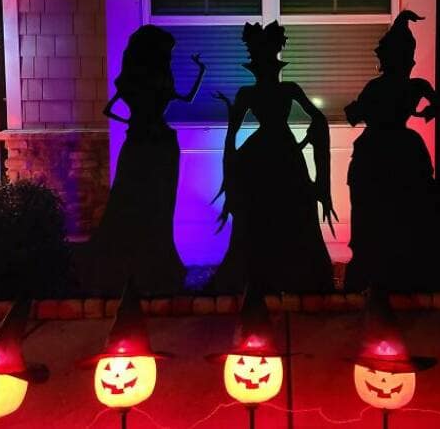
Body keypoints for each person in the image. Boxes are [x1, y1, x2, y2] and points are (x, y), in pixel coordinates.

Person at [208, 21, 336, 293]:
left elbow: (318, 118)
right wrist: (231, 176)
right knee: (263, 208)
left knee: (292, 207)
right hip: (269, 155)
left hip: (280, 153)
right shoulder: (250, 93)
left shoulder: (287, 89)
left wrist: (314, 137)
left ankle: (288, 272)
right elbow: (231, 135)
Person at [85, 25, 205, 296]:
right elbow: (187, 98)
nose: (169, 57)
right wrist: (201, 70)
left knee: (153, 204)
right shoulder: (154, 82)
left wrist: (131, 120)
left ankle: (150, 264)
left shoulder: (138, 81)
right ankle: (145, 265)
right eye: (167, 53)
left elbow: (109, 110)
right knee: (147, 202)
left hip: (147, 141)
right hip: (155, 143)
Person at [343, 11, 436, 292]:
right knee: (394, 208)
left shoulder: (378, 87)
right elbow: (439, 105)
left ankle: (374, 267)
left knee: (373, 210)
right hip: (400, 149)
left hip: (376, 151)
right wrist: (425, 112)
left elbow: (355, 115)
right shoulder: (416, 87)